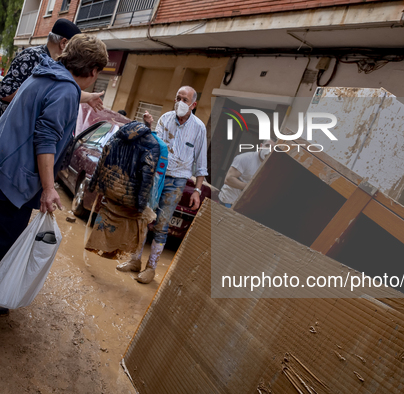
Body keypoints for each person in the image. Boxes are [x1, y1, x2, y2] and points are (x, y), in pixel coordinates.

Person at [0, 34, 108, 315]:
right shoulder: (65, 90)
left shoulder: (47, 72)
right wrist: (49, 189)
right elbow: (46, 139)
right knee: (3, 237)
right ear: (94, 71)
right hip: (14, 173)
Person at [118, 86, 208, 284]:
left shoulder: (199, 128)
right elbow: (153, 146)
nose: (180, 103)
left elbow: (201, 164)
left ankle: (151, 268)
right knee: (144, 217)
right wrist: (148, 126)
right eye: (178, 98)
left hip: (177, 181)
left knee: (161, 224)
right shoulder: (165, 118)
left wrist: (197, 191)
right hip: (157, 176)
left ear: (193, 105)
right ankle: (135, 260)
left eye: (185, 100)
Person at [85, 113, 163, 259]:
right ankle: (121, 255)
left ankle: (98, 248)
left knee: (108, 220)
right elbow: (147, 176)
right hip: (129, 196)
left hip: (109, 189)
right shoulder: (152, 144)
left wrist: (93, 184)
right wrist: (141, 205)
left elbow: (102, 157)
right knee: (128, 229)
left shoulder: (117, 135)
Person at [218, 140, 275, 208]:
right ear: (261, 146)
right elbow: (228, 179)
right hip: (228, 201)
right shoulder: (245, 158)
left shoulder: (267, 166)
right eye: (267, 146)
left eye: (272, 148)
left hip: (242, 205)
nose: (269, 150)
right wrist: (251, 187)